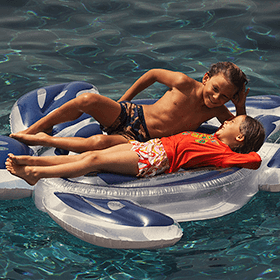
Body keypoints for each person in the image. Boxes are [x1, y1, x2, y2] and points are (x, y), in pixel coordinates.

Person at [10, 62, 249, 153]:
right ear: (206, 78)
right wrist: (124, 99)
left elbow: (241, 133)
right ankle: (33, 131)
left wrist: (240, 106)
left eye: (226, 97)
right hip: (131, 114)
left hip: (140, 139)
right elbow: (153, 74)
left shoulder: (218, 111)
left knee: (99, 145)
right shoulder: (184, 83)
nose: (217, 98)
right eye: (215, 89)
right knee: (87, 101)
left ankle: (43, 140)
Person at [5, 115, 265, 186]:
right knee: (88, 156)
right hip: (149, 149)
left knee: (93, 159)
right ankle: (31, 161)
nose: (227, 120)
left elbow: (254, 160)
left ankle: (36, 174)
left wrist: (239, 153)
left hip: (157, 160)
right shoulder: (213, 138)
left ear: (240, 137)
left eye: (233, 123)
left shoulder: (225, 153)